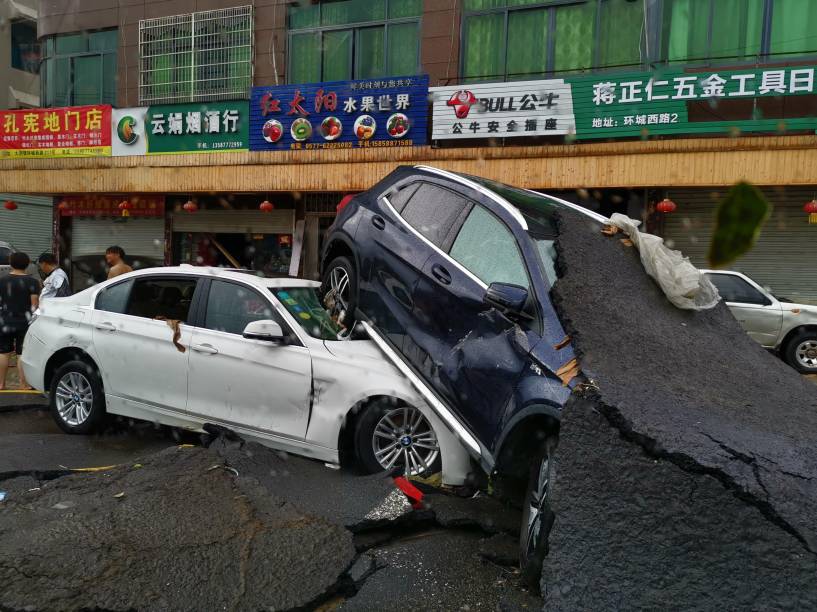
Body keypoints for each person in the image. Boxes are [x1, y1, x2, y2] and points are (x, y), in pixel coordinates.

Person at [0, 252, 40, 390]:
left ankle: (1, 384)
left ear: (11, 263)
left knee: (4, 353)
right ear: (28, 264)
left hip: (4, 321)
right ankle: (23, 384)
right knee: (21, 353)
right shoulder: (33, 282)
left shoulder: (2, 280)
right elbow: (34, 305)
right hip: (25, 322)